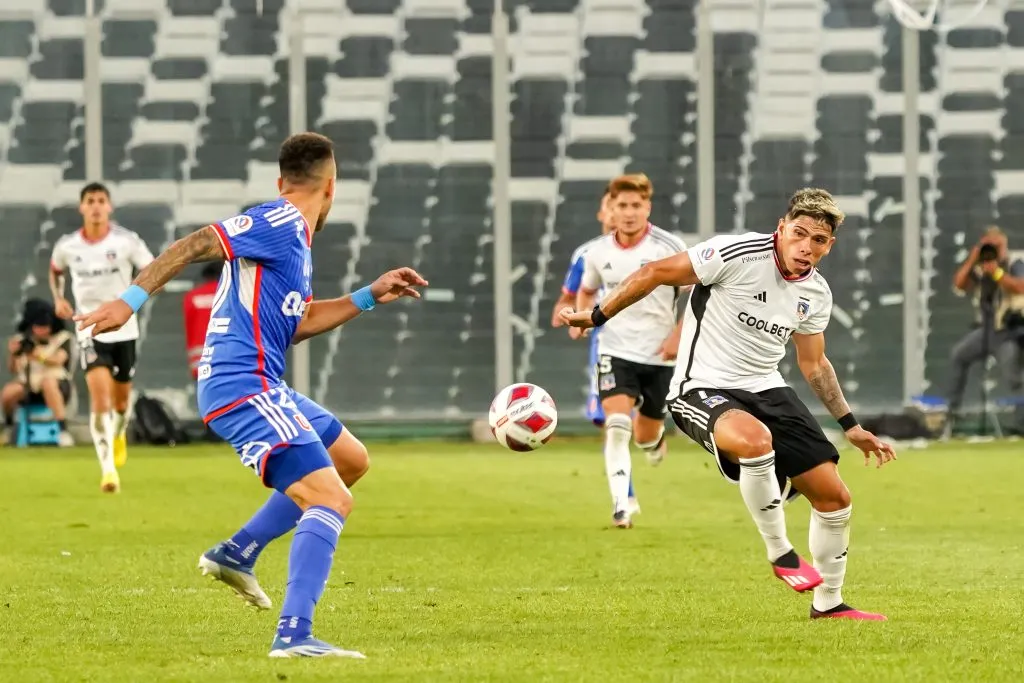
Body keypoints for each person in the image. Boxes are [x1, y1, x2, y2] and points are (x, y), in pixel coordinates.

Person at [76, 132, 427, 658]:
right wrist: (129, 301)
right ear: (331, 186)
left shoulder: (296, 243)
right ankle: (294, 635)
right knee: (331, 499)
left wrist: (368, 295)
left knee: (349, 460)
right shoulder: (280, 220)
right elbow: (197, 243)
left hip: (261, 382)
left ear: (283, 179)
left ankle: (236, 554)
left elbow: (301, 320)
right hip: (244, 385)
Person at [560, 188, 896, 620]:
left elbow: (813, 364)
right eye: (799, 234)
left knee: (835, 498)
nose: (806, 247)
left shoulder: (816, 293)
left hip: (767, 389)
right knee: (756, 442)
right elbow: (657, 271)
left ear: (829, 245)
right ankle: (781, 553)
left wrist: (850, 425)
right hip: (700, 386)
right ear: (781, 228)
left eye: (818, 240)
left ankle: (829, 604)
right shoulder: (736, 252)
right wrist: (598, 315)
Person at [572, 173, 686, 529]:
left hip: (658, 355)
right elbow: (588, 290)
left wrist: (678, 337)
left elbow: (700, 293)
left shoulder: (668, 247)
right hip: (615, 350)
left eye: (636, 205)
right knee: (617, 424)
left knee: (645, 435)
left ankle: (654, 442)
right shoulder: (597, 252)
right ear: (612, 208)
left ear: (647, 207)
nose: (629, 212)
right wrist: (581, 318)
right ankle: (622, 505)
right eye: (622, 205)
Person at [50, 182, 155, 492]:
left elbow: (151, 270)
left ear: (109, 207)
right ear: (81, 207)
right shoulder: (68, 246)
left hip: (125, 330)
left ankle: (120, 430)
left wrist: (132, 301)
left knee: (121, 404)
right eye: (90, 201)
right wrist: (58, 297)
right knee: (100, 399)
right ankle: (109, 472)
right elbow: (55, 270)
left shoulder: (126, 242)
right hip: (89, 330)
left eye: (101, 201)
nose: (95, 206)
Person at [550, 187, 616, 427]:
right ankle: (618, 459)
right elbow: (567, 296)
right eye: (609, 207)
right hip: (605, 334)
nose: (613, 214)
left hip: (646, 334)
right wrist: (569, 316)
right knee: (606, 412)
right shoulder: (586, 253)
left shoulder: (651, 251)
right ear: (601, 213)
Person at [948, 226, 1024, 433]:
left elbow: (1021, 286)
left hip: (1007, 331)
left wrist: (997, 272)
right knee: (959, 356)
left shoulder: (1014, 262)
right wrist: (973, 259)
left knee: (1014, 377)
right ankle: (951, 416)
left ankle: (1021, 423)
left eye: (997, 245)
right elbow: (959, 284)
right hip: (985, 330)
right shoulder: (980, 266)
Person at [2, 299, 74, 446]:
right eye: (38, 326)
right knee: (9, 391)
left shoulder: (63, 339)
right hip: (29, 386)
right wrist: (13, 354)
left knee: (48, 383)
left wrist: (36, 355)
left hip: (57, 385)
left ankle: (62, 430)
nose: (42, 330)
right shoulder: (22, 340)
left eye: (45, 326)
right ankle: (8, 427)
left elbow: (58, 360)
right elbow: (13, 370)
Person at [184, 262, 223, 381]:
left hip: (200, 359)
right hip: (227, 357)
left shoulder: (192, 296)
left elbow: (189, 328)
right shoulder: (231, 295)